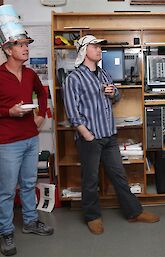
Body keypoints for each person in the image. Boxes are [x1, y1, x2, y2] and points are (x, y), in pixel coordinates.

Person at [63, 35, 160, 235]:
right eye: (94, 46)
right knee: (90, 180)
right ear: (84, 51)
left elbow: (116, 97)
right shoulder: (74, 78)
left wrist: (112, 93)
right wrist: (86, 134)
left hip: (108, 134)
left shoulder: (104, 74)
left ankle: (134, 212)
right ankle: (92, 216)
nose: (99, 49)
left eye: (99, 46)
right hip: (90, 137)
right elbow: (72, 111)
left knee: (119, 176)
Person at [0, 6, 54, 256]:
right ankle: (6, 232)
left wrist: (40, 115)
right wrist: (8, 112)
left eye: (27, 44)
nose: (26, 48)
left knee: (30, 182)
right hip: (8, 141)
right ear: (8, 50)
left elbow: (42, 94)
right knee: (8, 189)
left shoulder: (31, 73)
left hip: (30, 138)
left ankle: (30, 222)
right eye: (21, 44)